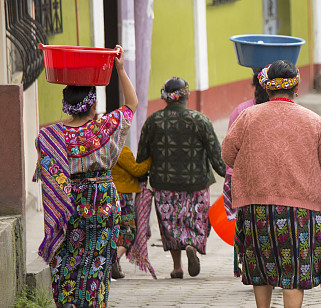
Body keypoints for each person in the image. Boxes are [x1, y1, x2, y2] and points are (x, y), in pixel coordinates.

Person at [221, 60, 321, 308]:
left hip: (256, 206)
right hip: (299, 209)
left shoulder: (248, 117)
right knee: (295, 268)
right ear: (296, 87)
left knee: (260, 263)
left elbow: (227, 154)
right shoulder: (313, 120)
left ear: (266, 87)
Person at [35, 46, 137, 308]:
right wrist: (119, 69)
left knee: (70, 252)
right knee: (98, 257)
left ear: (66, 104)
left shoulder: (52, 135)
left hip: (69, 200)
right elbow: (132, 103)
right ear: (93, 106)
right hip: (102, 197)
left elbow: (45, 168)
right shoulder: (103, 128)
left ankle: (70, 305)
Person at [136, 77, 226, 279]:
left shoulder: (153, 121)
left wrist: (140, 180)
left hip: (164, 184)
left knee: (171, 225)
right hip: (197, 183)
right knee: (195, 220)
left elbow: (142, 155)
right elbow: (216, 155)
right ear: (187, 96)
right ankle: (191, 245)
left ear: (164, 97)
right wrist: (227, 174)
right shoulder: (200, 120)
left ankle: (177, 267)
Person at [223, 72, 270, 220]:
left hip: (241, 180)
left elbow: (228, 149)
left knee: (244, 224)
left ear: (255, 85)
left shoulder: (241, 110)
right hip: (271, 183)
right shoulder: (285, 113)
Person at [110, 146, 154, 279]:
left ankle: (115, 265)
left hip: (109, 194)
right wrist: (151, 158)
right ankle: (115, 258)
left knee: (114, 230)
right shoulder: (120, 149)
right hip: (122, 196)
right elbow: (136, 170)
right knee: (130, 230)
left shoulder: (103, 147)